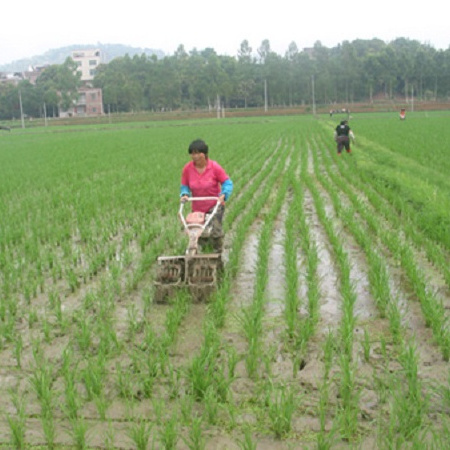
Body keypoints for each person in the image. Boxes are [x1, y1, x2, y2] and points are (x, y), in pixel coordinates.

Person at [180, 139, 233, 253]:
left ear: (205, 154)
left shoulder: (214, 167)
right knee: (199, 233)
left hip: (214, 205)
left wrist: (224, 194)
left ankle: (218, 254)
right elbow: (184, 186)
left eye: (198, 153)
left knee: (215, 232)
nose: (195, 156)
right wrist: (184, 194)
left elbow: (227, 183)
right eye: (192, 153)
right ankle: (203, 256)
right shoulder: (188, 169)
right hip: (198, 207)